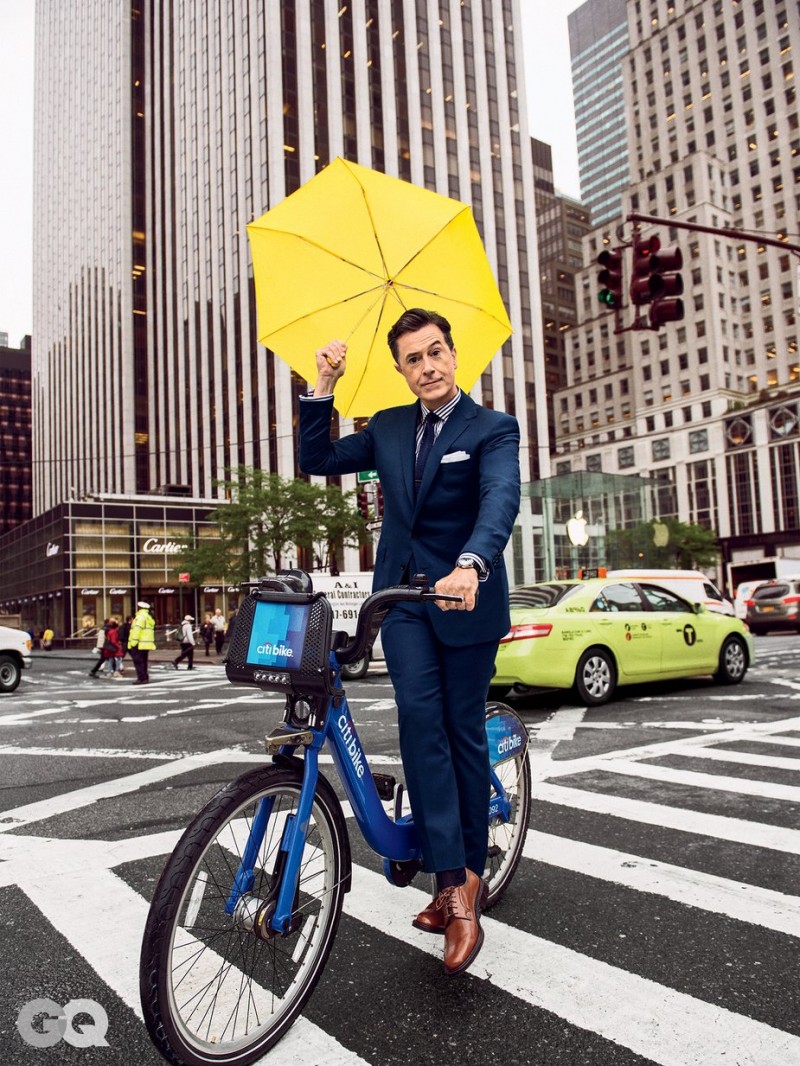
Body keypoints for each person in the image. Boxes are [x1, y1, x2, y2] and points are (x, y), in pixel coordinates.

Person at [299, 307, 520, 977]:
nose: (427, 367)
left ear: (455, 355)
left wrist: (473, 564)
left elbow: (500, 498)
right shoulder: (391, 426)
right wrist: (324, 386)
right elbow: (318, 459)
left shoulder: (493, 429)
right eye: (413, 359)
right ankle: (450, 884)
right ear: (400, 369)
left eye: (435, 353)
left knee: (458, 735)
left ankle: (463, 887)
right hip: (402, 601)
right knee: (421, 727)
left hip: (465, 599)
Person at [128, 600, 156, 684]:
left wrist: (133, 642)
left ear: (139, 608)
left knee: (138, 661)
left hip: (139, 643)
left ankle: (141, 678)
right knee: (144, 661)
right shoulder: (148, 617)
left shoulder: (140, 617)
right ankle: (145, 677)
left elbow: (137, 630)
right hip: (146, 644)